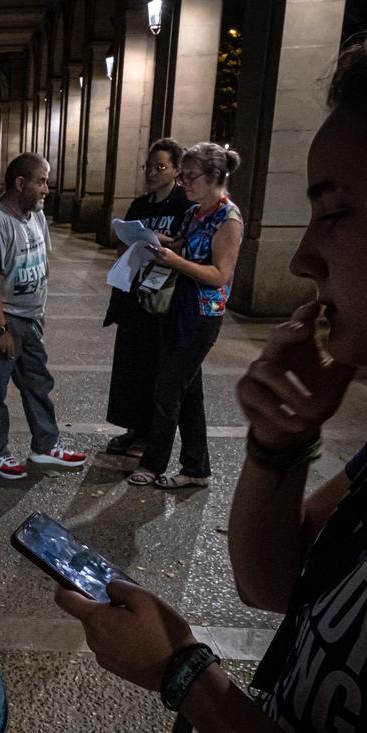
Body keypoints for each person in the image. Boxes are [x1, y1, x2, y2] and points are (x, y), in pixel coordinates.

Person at [57, 3, 367, 733]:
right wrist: (279, 445)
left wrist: (187, 678)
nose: (305, 255)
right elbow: (272, 583)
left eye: (336, 213)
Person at [126, 142, 244, 489]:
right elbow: (186, 246)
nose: (185, 183)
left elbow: (220, 275)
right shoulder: (195, 213)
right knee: (190, 393)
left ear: (214, 176)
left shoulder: (229, 218)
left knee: (167, 389)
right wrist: (165, 243)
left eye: (191, 177)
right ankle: (196, 468)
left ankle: (152, 463)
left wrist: (174, 261)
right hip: (180, 307)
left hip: (203, 313)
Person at [0, 152, 88, 480]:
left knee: (37, 384)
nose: (46, 189)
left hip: (30, 319)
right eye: (41, 181)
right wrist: (0, 328)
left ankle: (46, 446)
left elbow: (42, 260)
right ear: (20, 183)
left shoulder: (35, 216)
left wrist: (39, 312)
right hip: (3, 318)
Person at [104, 138, 195, 458]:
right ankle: (134, 429)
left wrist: (165, 243)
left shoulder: (184, 206)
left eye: (161, 167)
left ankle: (150, 436)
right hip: (134, 295)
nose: (152, 173)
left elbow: (191, 246)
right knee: (132, 366)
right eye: (149, 167)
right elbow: (120, 244)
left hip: (164, 299)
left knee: (157, 368)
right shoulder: (141, 205)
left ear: (176, 171)